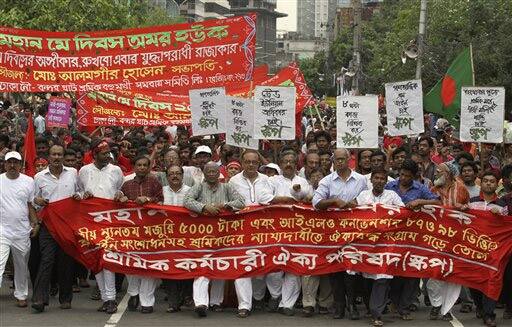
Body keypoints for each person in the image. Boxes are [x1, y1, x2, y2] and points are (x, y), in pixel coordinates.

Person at [183, 162, 246, 318]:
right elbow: (187, 201)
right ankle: (200, 304)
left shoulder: (227, 187)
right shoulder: (199, 186)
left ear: (220, 173)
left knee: (219, 267)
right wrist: (204, 207)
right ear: (204, 173)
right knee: (201, 268)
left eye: (214, 171)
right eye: (208, 171)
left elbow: (241, 203)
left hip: (224, 236)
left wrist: (224, 205)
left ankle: (215, 302)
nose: (211, 174)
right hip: (202, 236)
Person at [313, 148, 368, 320]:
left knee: (351, 268)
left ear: (349, 159)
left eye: (342, 159)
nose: (339, 162)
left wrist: (357, 203)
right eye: (336, 159)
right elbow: (316, 202)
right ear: (332, 161)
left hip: (355, 231)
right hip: (333, 232)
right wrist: (334, 201)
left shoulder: (361, 180)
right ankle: (339, 306)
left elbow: (368, 200)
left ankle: (352, 304)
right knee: (335, 268)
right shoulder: (327, 181)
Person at [384, 159, 441, 320]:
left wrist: (421, 201)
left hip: (413, 238)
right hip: (393, 236)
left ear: (414, 176)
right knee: (394, 271)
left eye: (407, 176)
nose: (403, 178)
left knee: (411, 274)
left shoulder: (421, 188)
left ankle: (405, 307)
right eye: (401, 174)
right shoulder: (390, 186)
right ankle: (394, 302)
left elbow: (438, 201)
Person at [31, 145, 80, 313]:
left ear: (63, 156)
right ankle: (39, 298)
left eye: (60, 154)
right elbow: (33, 198)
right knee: (47, 260)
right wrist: (37, 201)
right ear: (49, 156)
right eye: (54, 154)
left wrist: (78, 196)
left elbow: (81, 192)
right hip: (48, 225)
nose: (57, 157)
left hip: (67, 225)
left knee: (66, 261)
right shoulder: (39, 177)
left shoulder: (73, 173)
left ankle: (65, 298)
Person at [78, 140, 124, 314]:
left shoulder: (116, 170)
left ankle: (111, 299)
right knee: (95, 260)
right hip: (90, 223)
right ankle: (105, 298)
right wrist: (84, 195)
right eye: (103, 153)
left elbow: (120, 190)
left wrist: (121, 195)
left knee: (108, 260)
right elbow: (80, 192)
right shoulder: (83, 171)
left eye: (108, 153)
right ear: (94, 154)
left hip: (110, 223)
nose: (107, 156)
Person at [228, 150, 277, 313]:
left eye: (254, 162)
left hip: (265, 230)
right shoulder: (233, 181)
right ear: (242, 162)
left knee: (266, 264)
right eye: (247, 162)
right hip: (241, 229)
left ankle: (261, 297)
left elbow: (273, 201)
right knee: (242, 265)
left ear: (259, 164)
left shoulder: (267, 180)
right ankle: (244, 305)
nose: (250, 165)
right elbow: (231, 204)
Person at [356, 167, 404, 326]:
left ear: (386, 181)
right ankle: (372, 308)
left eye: (382, 179)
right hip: (367, 245)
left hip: (386, 245)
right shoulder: (363, 196)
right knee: (367, 279)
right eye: (376, 178)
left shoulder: (392, 196)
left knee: (382, 278)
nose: (379, 181)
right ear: (371, 180)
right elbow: (353, 216)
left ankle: (376, 313)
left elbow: (403, 214)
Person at [118, 156, 164, 314]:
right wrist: (121, 199)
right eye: (139, 165)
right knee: (130, 264)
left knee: (148, 266)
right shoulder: (126, 184)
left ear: (149, 167)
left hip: (150, 230)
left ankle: (147, 301)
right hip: (131, 231)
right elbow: (118, 206)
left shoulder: (155, 183)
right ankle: (133, 293)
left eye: (145, 165)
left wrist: (149, 199)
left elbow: (161, 201)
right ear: (134, 166)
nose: (142, 167)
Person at [269, 150, 312, 316]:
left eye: (291, 161)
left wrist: (298, 193)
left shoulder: (303, 181)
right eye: (285, 161)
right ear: (280, 164)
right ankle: (275, 295)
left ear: (296, 165)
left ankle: (287, 304)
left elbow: (309, 198)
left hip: (297, 230)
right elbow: (265, 198)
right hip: (275, 228)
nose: (288, 164)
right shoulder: (272, 180)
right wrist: (286, 199)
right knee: (274, 265)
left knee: (294, 266)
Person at [428, 162, 470, 321]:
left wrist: (463, 207)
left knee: (452, 274)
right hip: (435, 238)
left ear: (450, 174)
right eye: (437, 171)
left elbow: (469, 210)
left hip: (455, 238)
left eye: (440, 172)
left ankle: (447, 309)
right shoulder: (433, 189)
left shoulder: (461, 188)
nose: (437, 174)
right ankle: (436, 304)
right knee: (435, 272)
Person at [468, 171, 507, 327]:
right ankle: (480, 307)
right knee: (474, 281)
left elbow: (506, 227)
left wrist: (500, 216)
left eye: (492, 181)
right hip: (474, 248)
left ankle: (489, 315)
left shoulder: (503, 205)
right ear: (481, 184)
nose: (489, 183)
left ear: (497, 184)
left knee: (492, 280)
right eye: (485, 181)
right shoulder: (471, 202)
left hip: (494, 250)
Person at [0, 151, 39, 308]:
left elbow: (30, 205)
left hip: (22, 230)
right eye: (9, 162)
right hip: (2, 230)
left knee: (21, 264)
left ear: (20, 164)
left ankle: (21, 294)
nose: (12, 165)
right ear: (4, 164)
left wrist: (35, 223)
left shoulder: (29, 181)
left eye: (15, 162)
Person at [161, 165, 193, 313]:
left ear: (182, 175)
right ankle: (173, 302)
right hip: (166, 237)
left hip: (187, 236)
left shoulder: (191, 191)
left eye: (177, 173)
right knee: (169, 269)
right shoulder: (161, 192)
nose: (175, 176)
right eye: (171, 174)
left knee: (186, 267)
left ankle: (186, 295)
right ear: (167, 176)